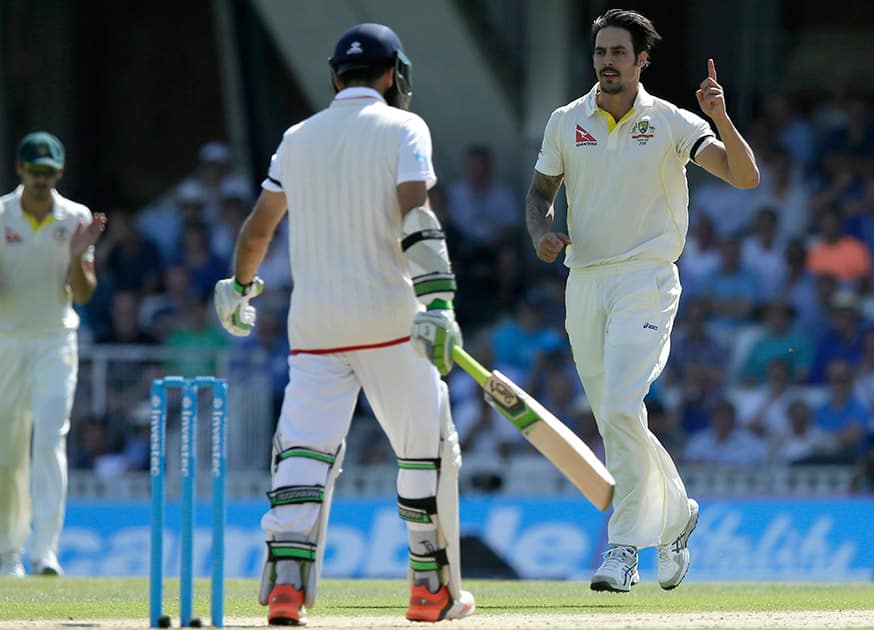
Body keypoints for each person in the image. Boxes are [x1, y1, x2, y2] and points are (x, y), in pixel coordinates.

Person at [212, 23, 474, 625]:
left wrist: (240, 286)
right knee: (425, 452)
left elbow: (258, 227)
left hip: (316, 327)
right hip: (389, 318)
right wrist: (439, 302)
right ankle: (429, 589)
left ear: (335, 77)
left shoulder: (297, 137)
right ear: (392, 76)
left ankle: (285, 588)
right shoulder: (404, 126)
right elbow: (417, 213)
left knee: (303, 454)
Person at [525, 9, 759, 593]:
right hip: (586, 282)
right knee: (614, 418)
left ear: (641, 60)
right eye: (600, 52)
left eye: (618, 53)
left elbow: (744, 175)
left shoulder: (674, 123)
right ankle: (677, 516)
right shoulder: (565, 121)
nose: (607, 61)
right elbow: (539, 193)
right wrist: (540, 232)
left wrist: (720, 117)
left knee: (623, 408)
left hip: (647, 280)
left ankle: (622, 549)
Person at [0, 131, 107, 577]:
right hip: (5, 340)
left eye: (49, 173)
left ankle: (45, 551)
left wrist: (77, 255)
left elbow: (83, 295)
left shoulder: (76, 217)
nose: (41, 181)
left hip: (55, 339)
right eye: (35, 172)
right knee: (8, 452)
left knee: (49, 441)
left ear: (59, 173)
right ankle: (9, 553)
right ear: (20, 170)